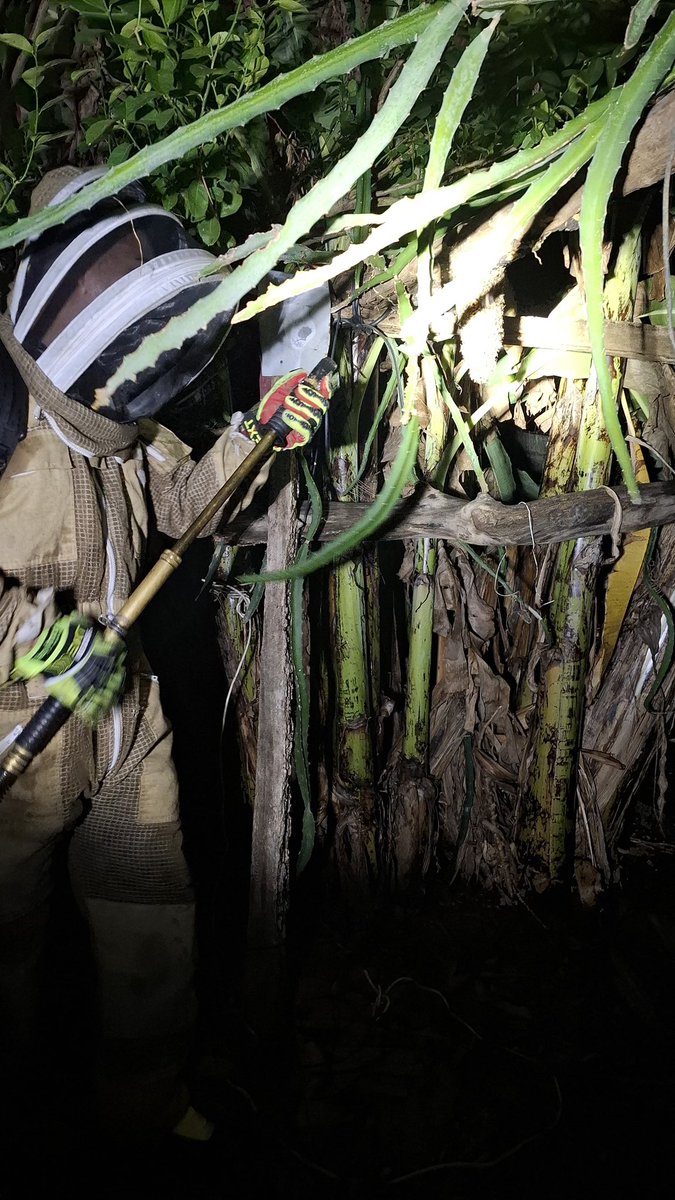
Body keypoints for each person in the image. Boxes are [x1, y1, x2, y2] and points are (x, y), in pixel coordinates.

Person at [0, 166, 334, 1156]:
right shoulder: (13, 443)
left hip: (124, 718)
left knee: (151, 912)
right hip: (20, 726)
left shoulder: (133, 444)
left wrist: (256, 438)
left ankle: (142, 1102)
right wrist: (35, 641)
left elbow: (191, 515)